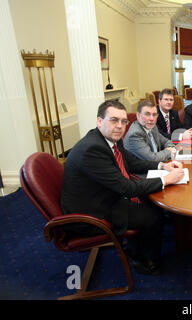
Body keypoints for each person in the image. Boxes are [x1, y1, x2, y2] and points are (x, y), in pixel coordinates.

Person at [61, 100, 184, 275]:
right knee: (153, 215)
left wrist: (162, 167)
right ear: (99, 121)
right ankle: (145, 262)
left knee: (150, 203)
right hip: (91, 213)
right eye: (114, 120)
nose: (120, 126)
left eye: (123, 121)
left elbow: (133, 162)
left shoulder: (109, 139)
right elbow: (125, 187)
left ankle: (137, 247)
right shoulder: (92, 149)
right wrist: (167, 180)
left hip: (101, 195)